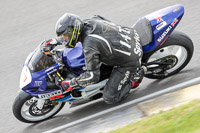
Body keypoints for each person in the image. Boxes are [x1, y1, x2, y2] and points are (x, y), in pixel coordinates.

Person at [44, 13, 144, 104]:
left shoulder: (89, 45)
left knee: (110, 97)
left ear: (72, 32)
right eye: (63, 37)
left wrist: (71, 83)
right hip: (129, 34)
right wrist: (56, 41)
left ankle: (135, 77)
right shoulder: (89, 21)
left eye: (65, 36)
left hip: (131, 59)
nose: (64, 39)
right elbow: (103, 19)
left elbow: (92, 76)